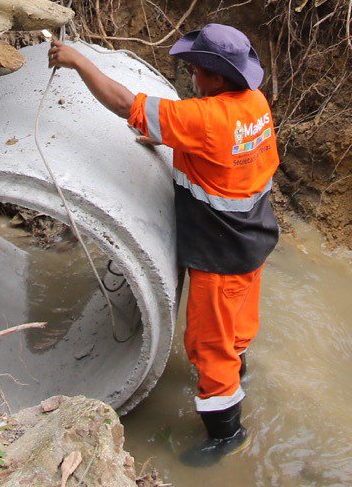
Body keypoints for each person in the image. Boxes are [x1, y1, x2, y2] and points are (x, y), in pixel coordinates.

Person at [48, 24, 278, 467]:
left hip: (219, 255)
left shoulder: (204, 118)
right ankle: (239, 367)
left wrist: (76, 59)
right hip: (254, 241)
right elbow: (221, 148)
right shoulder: (253, 104)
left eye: (195, 69)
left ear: (215, 78)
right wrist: (168, 135)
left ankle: (229, 433)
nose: (190, 75)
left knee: (207, 347)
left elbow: (122, 103)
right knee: (237, 325)